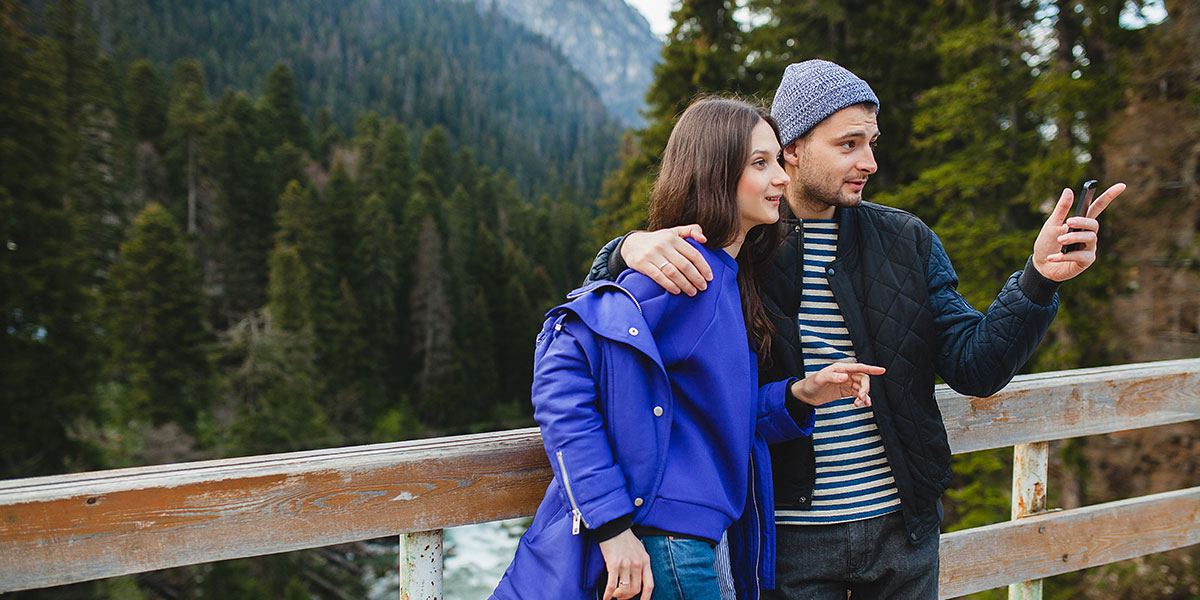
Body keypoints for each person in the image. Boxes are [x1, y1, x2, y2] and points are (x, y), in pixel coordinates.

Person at [585, 60, 1125, 599]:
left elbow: (975, 367)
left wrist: (1037, 281)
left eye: (872, 141)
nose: (868, 161)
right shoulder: (737, 243)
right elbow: (599, 327)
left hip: (903, 533)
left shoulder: (906, 240)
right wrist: (625, 248)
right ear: (790, 149)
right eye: (848, 144)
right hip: (783, 540)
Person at [491, 97, 884, 600]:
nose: (781, 177)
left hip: (702, 541)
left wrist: (800, 394)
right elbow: (560, 370)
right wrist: (611, 528)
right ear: (715, 174)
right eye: (759, 164)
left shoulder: (727, 276)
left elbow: (706, 417)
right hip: (668, 546)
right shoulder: (683, 271)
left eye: (775, 160)